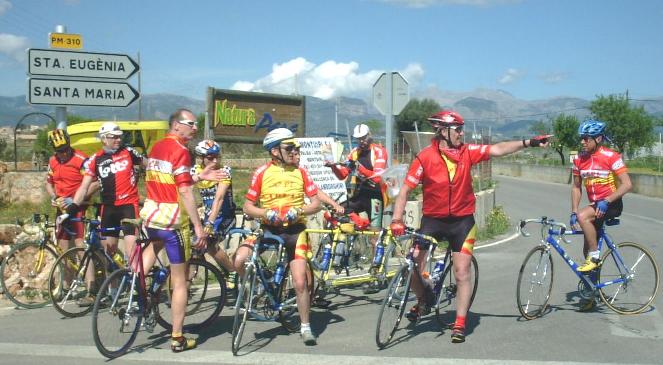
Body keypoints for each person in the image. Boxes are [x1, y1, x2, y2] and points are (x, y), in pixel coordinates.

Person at [389, 110, 551, 343]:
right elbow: (404, 190)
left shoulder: (467, 152)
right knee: (413, 264)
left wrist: (530, 142)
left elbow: (498, 149)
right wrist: (396, 219)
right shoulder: (424, 158)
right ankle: (424, 298)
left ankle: (460, 322)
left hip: (462, 223)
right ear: (443, 132)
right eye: (457, 129)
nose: (462, 133)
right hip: (432, 221)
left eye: (461, 128)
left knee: (462, 271)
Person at [138, 108, 220, 352]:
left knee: (148, 257)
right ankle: (177, 337)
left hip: (152, 217)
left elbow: (176, 182)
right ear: (176, 125)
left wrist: (199, 176)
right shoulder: (181, 151)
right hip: (173, 222)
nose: (195, 128)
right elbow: (184, 192)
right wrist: (198, 226)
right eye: (191, 124)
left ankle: (135, 294)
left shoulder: (157, 147)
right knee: (180, 282)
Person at [234, 128, 321, 345]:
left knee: (300, 282)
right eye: (290, 148)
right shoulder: (261, 172)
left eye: (297, 148)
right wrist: (265, 213)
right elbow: (247, 206)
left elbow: (316, 204)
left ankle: (305, 326)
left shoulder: (301, 172)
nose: (295, 152)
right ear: (275, 151)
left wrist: (299, 210)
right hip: (268, 229)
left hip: (295, 231)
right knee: (238, 259)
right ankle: (260, 287)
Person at [65, 122, 145, 305]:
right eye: (113, 136)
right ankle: (114, 291)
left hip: (128, 206)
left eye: (119, 136)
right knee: (110, 252)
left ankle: (139, 292)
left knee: (132, 253)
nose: (118, 139)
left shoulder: (129, 152)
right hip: (108, 209)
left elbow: (151, 166)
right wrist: (70, 210)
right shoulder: (95, 159)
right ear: (103, 139)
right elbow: (84, 186)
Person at [570, 119, 632, 311]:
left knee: (585, 218)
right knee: (586, 247)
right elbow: (576, 187)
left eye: (586, 138)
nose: (583, 142)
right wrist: (573, 211)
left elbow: (627, 184)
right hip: (595, 205)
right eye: (581, 138)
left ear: (598, 138)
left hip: (611, 204)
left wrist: (607, 201)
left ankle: (595, 256)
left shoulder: (611, 156)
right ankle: (592, 290)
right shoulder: (579, 159)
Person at [326, 123, 387, 229]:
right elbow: (342, 175)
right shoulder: (355, 152)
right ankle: (361, 227)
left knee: (374, 234)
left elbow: (377, 178)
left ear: (369, 135)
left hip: (376, 196)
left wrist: (358, 168)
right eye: (358, 139)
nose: (361, 141)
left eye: (363, 138)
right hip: (360, 194)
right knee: (337, 212)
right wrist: (333, 166)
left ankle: (370, 232)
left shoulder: (379, 151)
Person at [191, 139, 236, 273]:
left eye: (217, 157)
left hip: (225, 216)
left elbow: (219, 198)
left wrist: (210, 224)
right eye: (210, 158)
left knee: (209, 244)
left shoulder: (224, 170)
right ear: (201, 159)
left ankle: (232, 271)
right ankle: (185, 284)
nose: (215, 161)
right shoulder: (195, 171)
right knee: (194, 247)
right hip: (207, 216)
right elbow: (184, 190)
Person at [45, 129, 92, 256]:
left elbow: (93, 183)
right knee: (61, 245)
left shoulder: (81, 160)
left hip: (78, 207)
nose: (64, 153)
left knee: (79, 244)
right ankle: (65, 276)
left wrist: (76, 200)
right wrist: (53, 197)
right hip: (61, 207)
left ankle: (88, 275)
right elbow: (49, 183)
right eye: (60, 151)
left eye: (66, 149)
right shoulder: (52, 161)